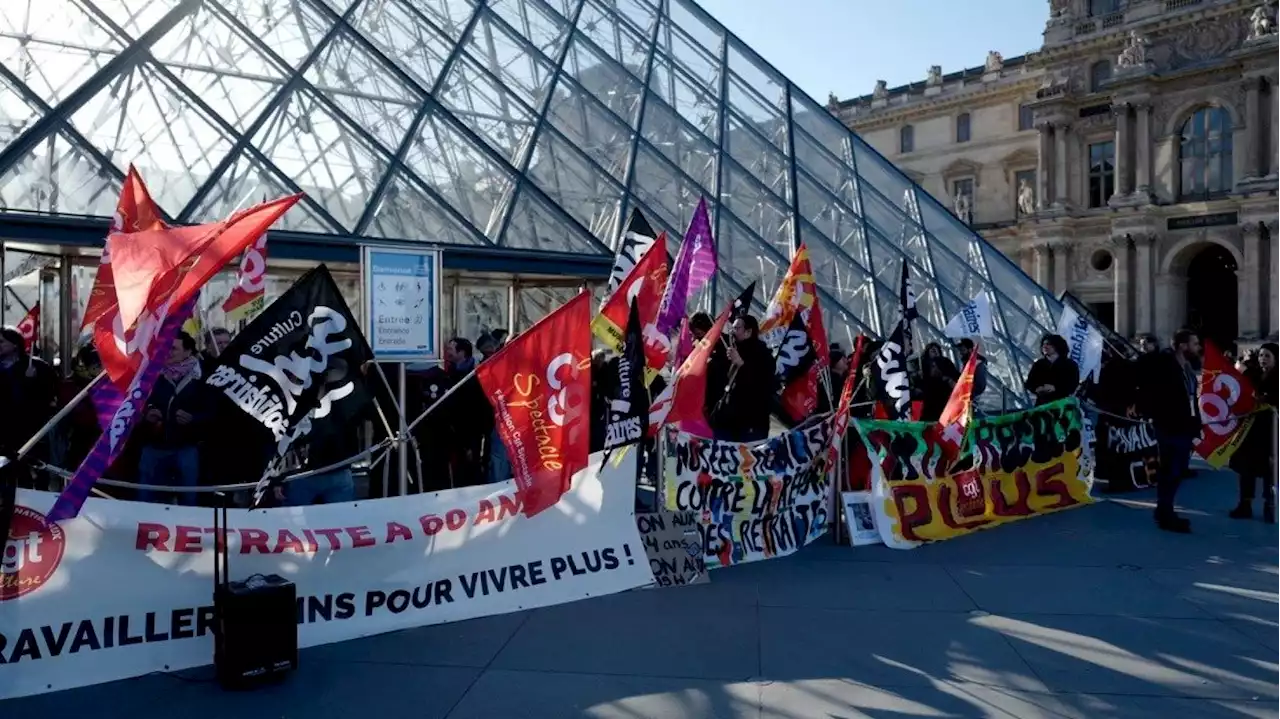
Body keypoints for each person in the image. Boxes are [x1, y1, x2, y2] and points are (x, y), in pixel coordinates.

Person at [1134, 329, 1202, 533]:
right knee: (1170, 471)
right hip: (1169, 425)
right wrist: (1153, 413)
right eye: (1195, 343)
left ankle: (1164, 509)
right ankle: (1165, 512)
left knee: (1178, 470)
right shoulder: (1163, 364)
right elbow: (1149, 389)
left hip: (1184, 425)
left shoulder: (1187, 367)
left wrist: (1196, 424)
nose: (1198, 347)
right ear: (1182, 345)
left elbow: (1191, 398)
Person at [136, 332, 209, 505]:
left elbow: (213, 412)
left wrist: (193, 419)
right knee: (147, 497)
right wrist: (149, 411)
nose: (167, 352)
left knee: (189, 498)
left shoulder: (203, 377)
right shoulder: (151, 374)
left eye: (173, 348)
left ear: (187, 351)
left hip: (186, 447)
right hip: (155, 446)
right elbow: (139, 401)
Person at [0, 326, 57, 481]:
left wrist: (31, 382)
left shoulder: (36, 366)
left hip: (31, 430)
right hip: (4, 431)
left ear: (15, 344)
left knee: (35, 472)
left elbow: (49, 396)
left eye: (2, 342)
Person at [1230, 342, 1279, 522]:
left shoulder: (1277, 377)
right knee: (1246, 468)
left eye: (1267, 356)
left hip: (1271, 431)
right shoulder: (1254, 373)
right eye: (1261, 356)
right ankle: (1245, 504)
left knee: (1270, 469)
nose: (1263, 359)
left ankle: (1270, 504)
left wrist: (1265, 398)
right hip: (1250, 429)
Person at [707, 315, 775, 442]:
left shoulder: (763, 355)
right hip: (726, 421)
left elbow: (761, 385)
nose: (732, 332)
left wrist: (741, 364)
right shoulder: (730, 351)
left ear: (749, 332)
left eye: (737, 328)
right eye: (731, 328)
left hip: (751, 423)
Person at [1023, 334, 1079, 406]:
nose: (1044, 346)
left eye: (1048, 344)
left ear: (1057, 345)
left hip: (1062, 405)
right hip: (1042, 405)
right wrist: (1037, 388)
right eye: (1043, 344)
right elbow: (1029, 383)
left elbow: (1072, 386)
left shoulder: (1070, 365)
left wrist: (1055, 388)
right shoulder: (1039, 364)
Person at [918, 342, 959, 422]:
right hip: (930, 397)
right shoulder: (924, 364)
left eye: (937, 350)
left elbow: (955, 375)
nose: (935, 352)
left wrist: (948, 379)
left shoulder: (946, 362)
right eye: (933, 351)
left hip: (944, 395)